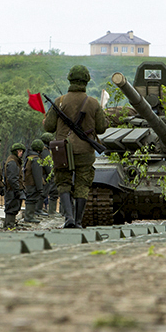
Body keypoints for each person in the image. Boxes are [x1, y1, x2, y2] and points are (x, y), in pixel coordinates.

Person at [43, 64, 106, 229]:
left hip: (62, 150)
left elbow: (48, 127)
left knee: (63, 182)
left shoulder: (59, 101)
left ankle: (68, 218)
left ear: (70, 79)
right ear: (86, 81)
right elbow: (101, 128)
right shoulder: (93, 103)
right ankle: (77, 221)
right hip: (85, 150)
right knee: (82, 184)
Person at [23, 139, 46, 223]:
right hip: (32, 183)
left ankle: (30, 216)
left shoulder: (29, 157)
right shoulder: (36, 159)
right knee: (31, 199)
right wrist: (40, 188)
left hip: (28, 182)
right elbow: (37, 175)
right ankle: (29, 216)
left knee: (30, 199)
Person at [3, 143, 25, 229]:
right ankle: (9, 225)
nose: (21, 153)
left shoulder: (14, 161)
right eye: (19, 151)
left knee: (13, 208)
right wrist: (17, 190)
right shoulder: (12, 162)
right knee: (11, 208)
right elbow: (12, 178)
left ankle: (9, 225)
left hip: (13, 189)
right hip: (12, 190)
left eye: (22, 151)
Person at [39, 132, 58, 216]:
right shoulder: (45, 151)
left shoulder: (43, 150)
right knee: (44, 193)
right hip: (45, 176)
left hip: (44, 175)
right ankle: (49, 210)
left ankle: (41, 210)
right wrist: (52, 173)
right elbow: (48, 166)